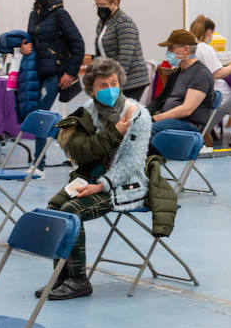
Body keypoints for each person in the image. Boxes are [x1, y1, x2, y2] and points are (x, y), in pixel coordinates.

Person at [39, 57, 150, 300]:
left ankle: (78, 280)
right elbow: (81, 150)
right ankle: (62, 276)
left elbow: (131, 165)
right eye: (103, 85)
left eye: (114, 83)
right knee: (54, 208)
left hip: (125, 185)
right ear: (91, 89)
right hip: (90, 178)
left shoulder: (137, 114)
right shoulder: (87, 113)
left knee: (73, 212)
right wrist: (113, 134)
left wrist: (100, 185)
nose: (110, 89)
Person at [21, 0, 84, 111]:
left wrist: (71, 73)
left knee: (40, 112)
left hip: (55, 73)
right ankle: (54, 133)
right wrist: (24, 49)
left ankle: (50, 133)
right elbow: (31, 39)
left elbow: (78, 44)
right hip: (36, 72)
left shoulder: (60, 14)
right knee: (32, 111)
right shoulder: (33, 15)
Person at [189, 14, 231, 142]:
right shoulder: (205, 48)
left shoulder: (191, 47)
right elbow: (218, 73)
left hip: (196, 93)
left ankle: (206, 129)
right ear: (209, 32)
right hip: (212, 94)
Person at [148, 29, 216, 139]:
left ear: (185, 49)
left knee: (145, 130)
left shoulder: (200, 74)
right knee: (134, 126)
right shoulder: (175, 74)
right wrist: (142, 114)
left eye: (171, 48)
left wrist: (156, 118)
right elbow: (159, 100)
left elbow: (187, 109)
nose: (168, 53)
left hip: (188, 124)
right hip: (170, 120)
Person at [92, 0, 150, 103]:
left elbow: (124, 59)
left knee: (123, 116)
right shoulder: (103, 22)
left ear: (115, 3)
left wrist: (112, 82)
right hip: (111, 77)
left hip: (131, 81)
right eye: (97, 4)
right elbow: (100, 52)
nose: (99, 8)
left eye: (103, 5)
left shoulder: (124, 23)